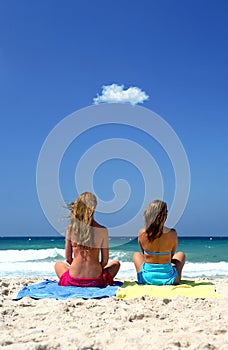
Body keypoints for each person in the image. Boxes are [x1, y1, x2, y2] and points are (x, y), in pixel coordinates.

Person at [55, 192, 120, 287]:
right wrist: (95, 269)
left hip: (73, 279)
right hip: (96, 280)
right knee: (116, 263)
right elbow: (105, 261)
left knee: (58, 264)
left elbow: (68, 259)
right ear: (94, 207)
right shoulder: (102, 230)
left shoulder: (71, 229)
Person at [133, 199, 185, 285]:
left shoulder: (142, 233)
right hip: (169, 279)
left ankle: (149, 275)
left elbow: (144, 255)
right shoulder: (172, 233)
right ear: (164, 216)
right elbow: (171, 256)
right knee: (181, 255)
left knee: (136, 255)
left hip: (146, 278)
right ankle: (175, 276)